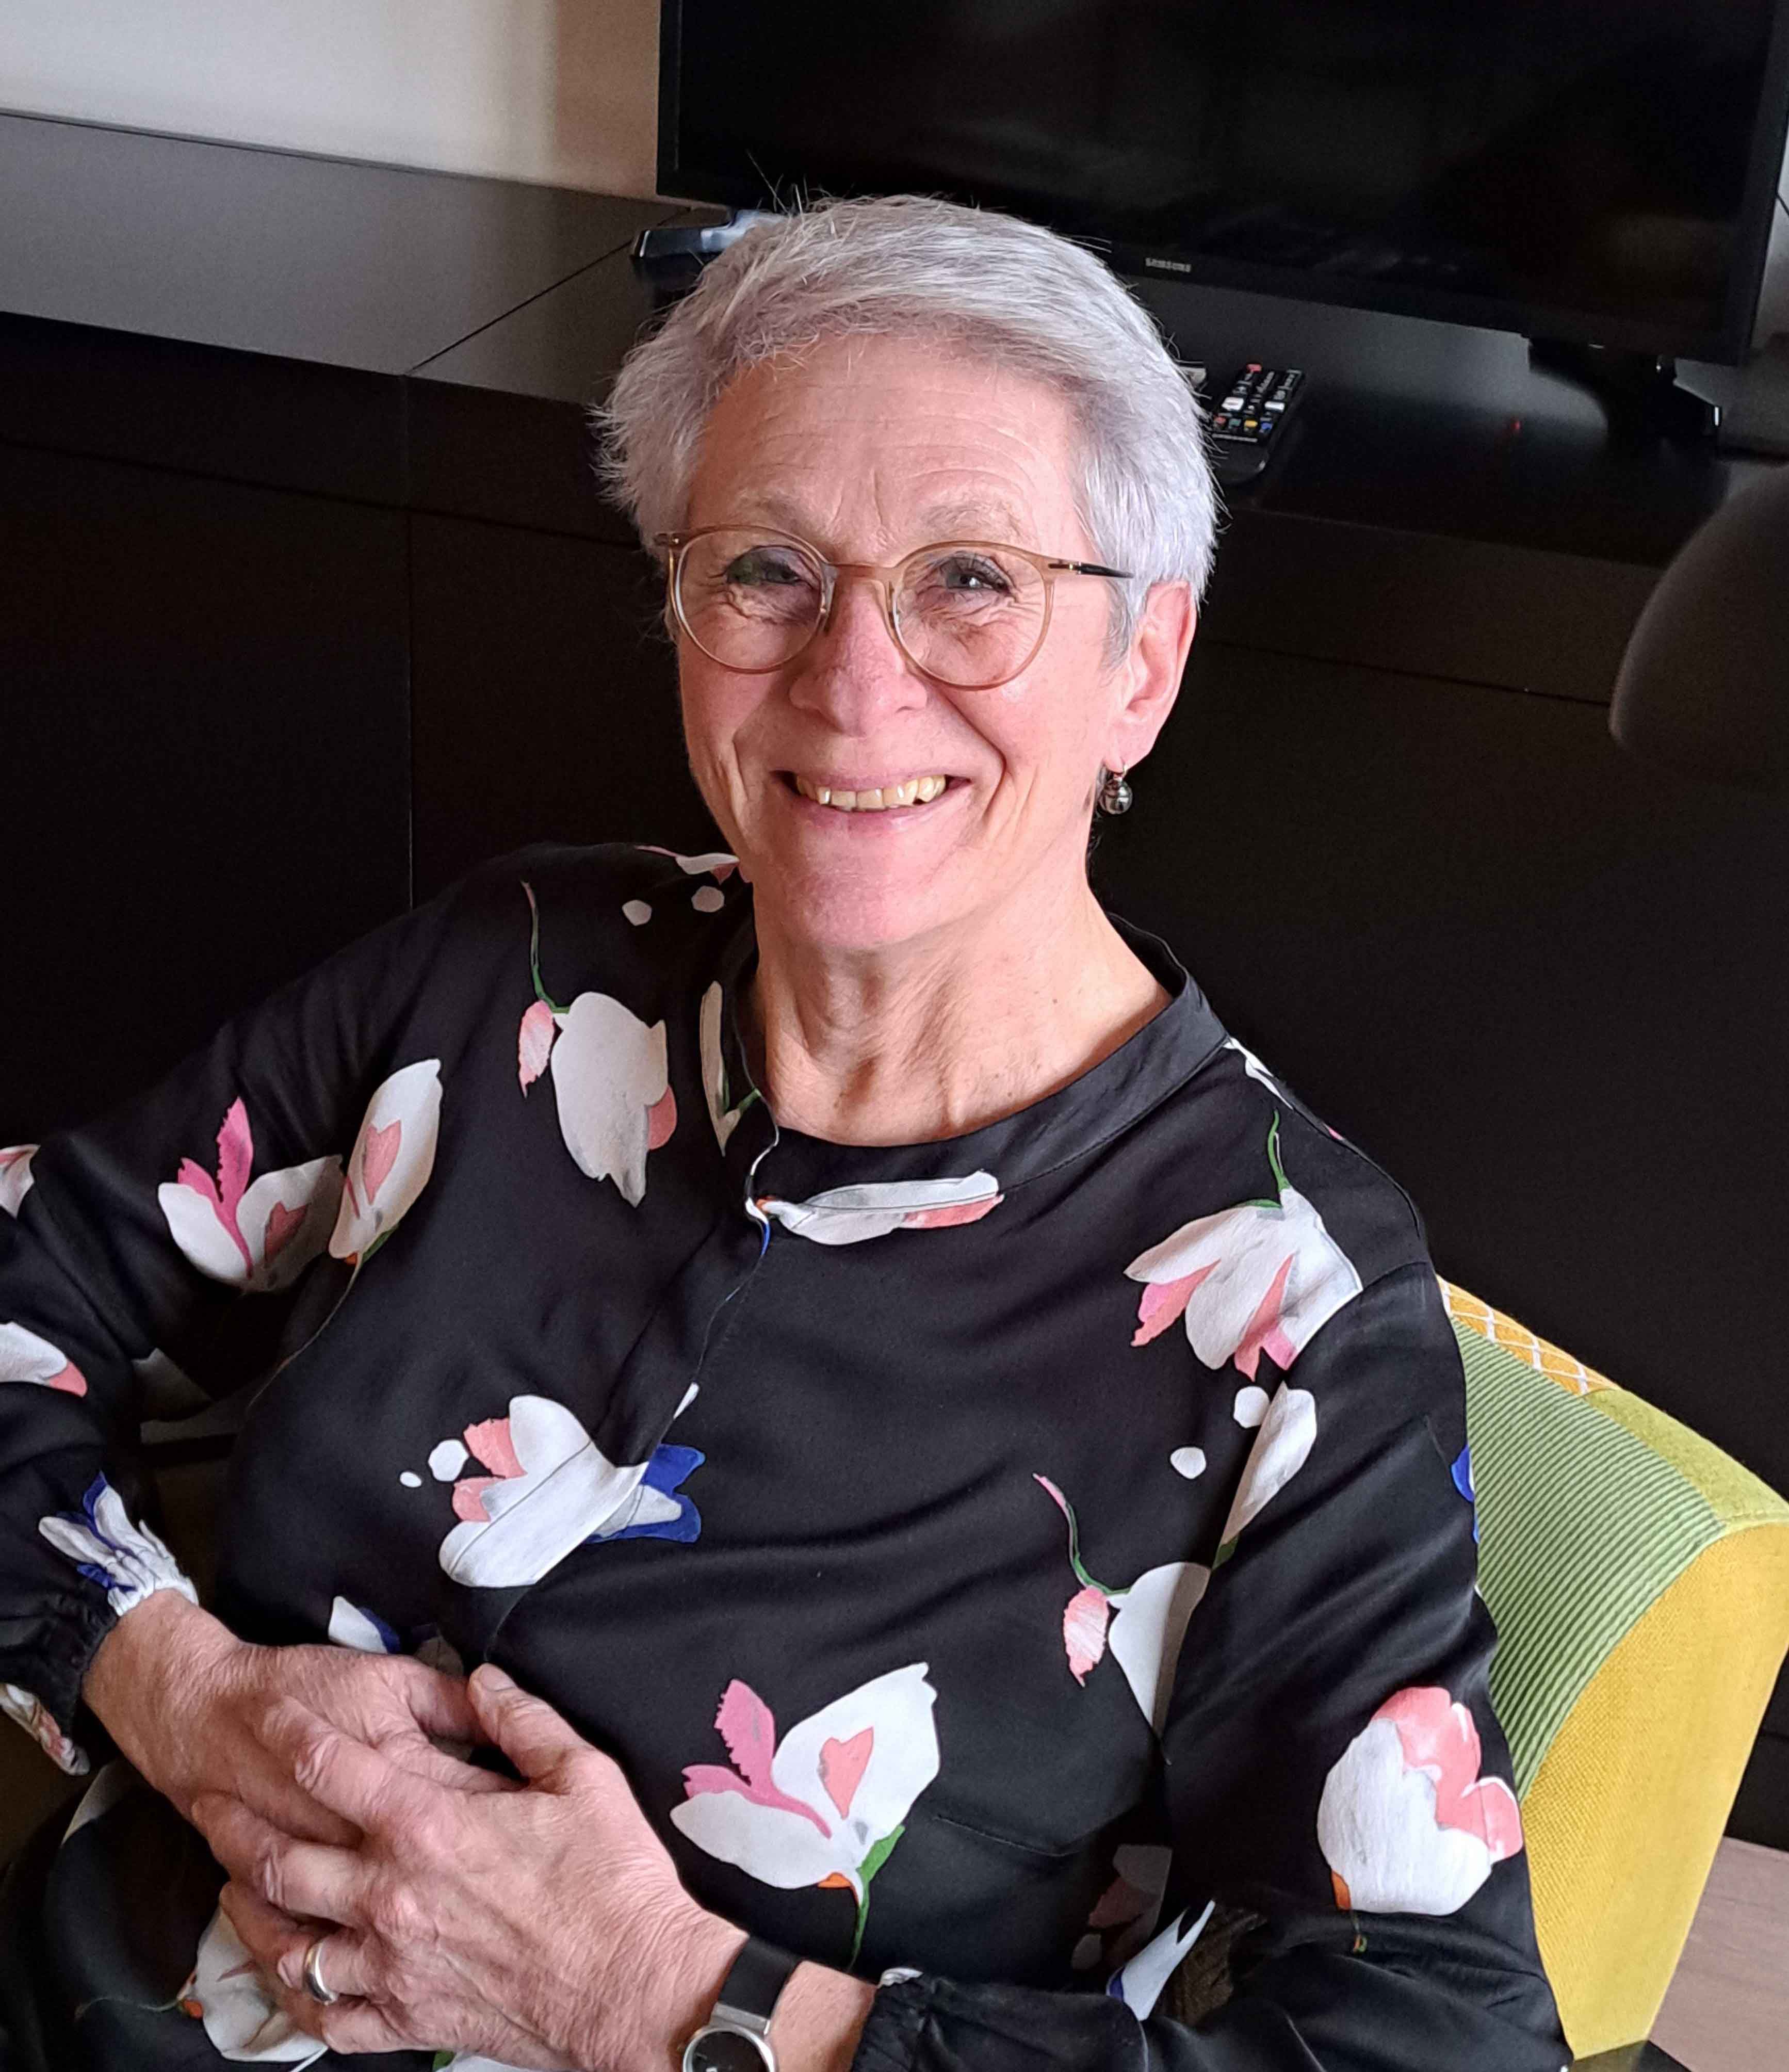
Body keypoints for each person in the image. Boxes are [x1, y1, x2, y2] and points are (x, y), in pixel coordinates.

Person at [0, 193, 1568, 2072]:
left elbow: (1428, 2043)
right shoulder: (508, 974)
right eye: (766, 568)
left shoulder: (1282, 1306)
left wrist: (666, 1996)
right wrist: (163, 1680)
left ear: (1141, 666)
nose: (852, 680)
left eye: (970, 579)